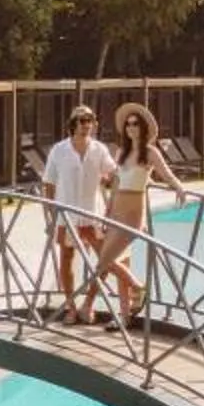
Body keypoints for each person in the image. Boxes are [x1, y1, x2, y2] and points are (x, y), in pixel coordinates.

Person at [98, 103, 181, 324]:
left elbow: (167, 174)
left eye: (135, 124)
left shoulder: (150, 152)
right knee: (116, 263)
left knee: (103, 264)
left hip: (133, 213)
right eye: (128, 124)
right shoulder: (121, 152)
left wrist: (179, 187)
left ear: (143, 127)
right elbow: (116, 184)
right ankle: (124, 316)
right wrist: (107, 211)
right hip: (116, 212)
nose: (131, 127)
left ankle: (139, 288)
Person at [37, 105, 115, 324]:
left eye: (89, 120)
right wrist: (50, 217)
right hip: (67, 215)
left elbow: (113, 174)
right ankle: (71, 307)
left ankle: (88, 303)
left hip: (94, 214)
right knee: (67, 259)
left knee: (105, 260)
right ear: (73, 124)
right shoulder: (59, 150)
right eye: (81, 120)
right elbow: (49, 184)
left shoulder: (100, 149)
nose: (85, 124)